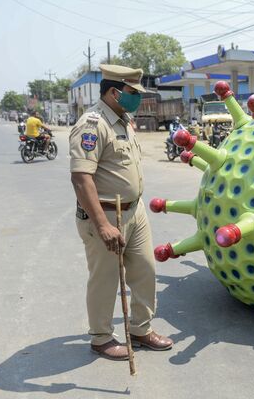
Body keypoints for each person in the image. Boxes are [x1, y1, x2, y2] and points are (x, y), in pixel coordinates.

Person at [69, 64, 173, 361]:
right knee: (105, 279)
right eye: (132, 92)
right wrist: (102, 225)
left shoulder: (123, 120)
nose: (137, 98)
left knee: (145, 271)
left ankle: (141, 329)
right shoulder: (92, 124)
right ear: (114, 92)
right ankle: (101, 337)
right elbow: (81, 178)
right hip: (104, 214)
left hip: (134, 211)